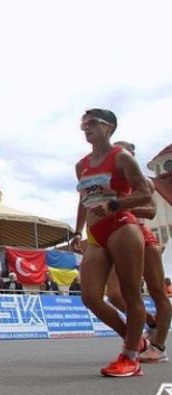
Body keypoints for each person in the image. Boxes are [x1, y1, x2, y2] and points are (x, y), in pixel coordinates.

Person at [71, 109, 152, 377]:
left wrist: (115, 204)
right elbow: (84, 200)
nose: (86, 127)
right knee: (90, 297)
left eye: (92, 122)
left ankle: (130, 357)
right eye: (84, 123)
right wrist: (76, 231)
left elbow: (145, 194)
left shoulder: (122, 158)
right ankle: (135, 341)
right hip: (95, 234)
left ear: (110, 128)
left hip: (122, 228)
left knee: (128, 292)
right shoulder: (81, 165)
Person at [100, 140, 170, 363]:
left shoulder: (143, 182)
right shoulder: (109, 182)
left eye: (121, 151)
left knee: (157, 290)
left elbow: (150, 212)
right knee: (114, 294)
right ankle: (149, 322)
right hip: (114, 237)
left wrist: (120, 205)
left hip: (140, 235)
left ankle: (159, 346)